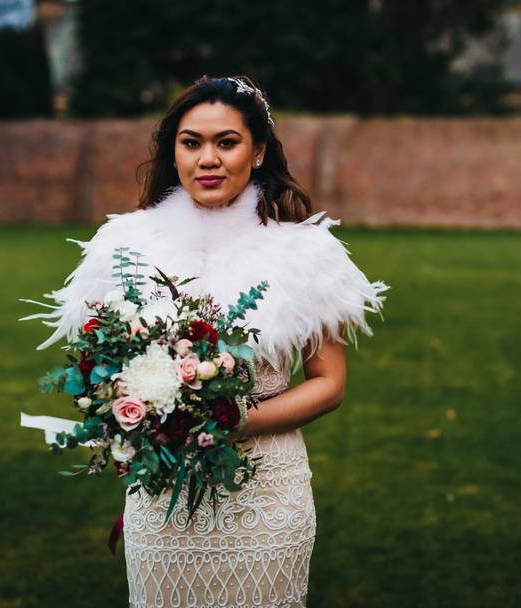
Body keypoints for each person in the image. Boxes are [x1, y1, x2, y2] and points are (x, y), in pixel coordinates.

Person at [29, 75, 387, 607]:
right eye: (192, 142)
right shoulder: (123, 248)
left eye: (227, 142)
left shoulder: (307, 255)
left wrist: (235, 419)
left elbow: (329, 385)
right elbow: (97, 365)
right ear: (173, 153)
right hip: (161, 502)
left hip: (265, 500)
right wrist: (126, 406)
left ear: (258, 151)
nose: (207, 159)